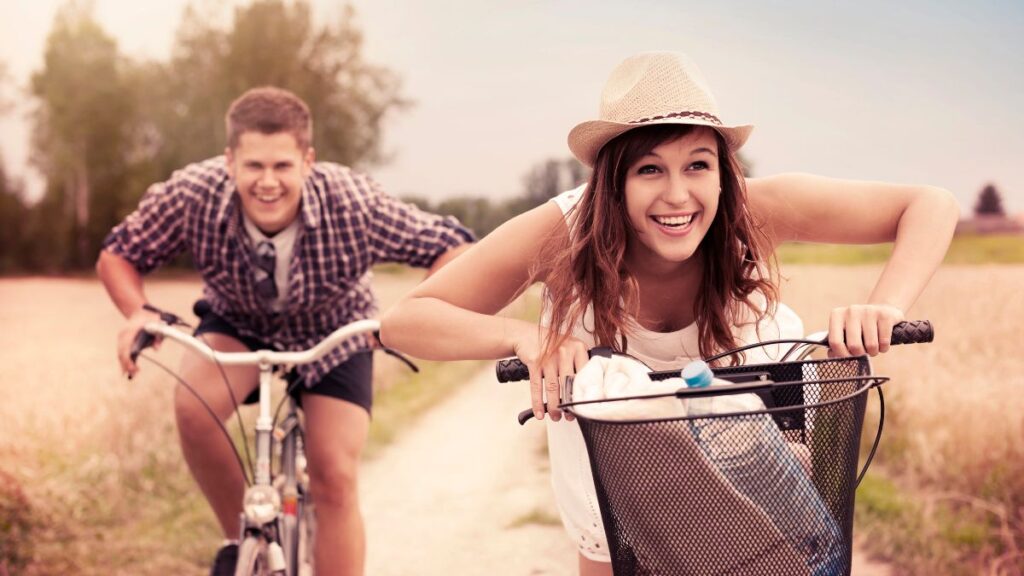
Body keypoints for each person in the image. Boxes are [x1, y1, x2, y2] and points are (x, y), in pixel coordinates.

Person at [379, 51, 959, 575]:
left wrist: (884, 306)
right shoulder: (564, 233)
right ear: (614, 182)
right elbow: (406, 321)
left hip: (752, 485)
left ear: (722, 170)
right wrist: (525, 336)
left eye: (698, 165)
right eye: (650, 169)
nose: (678, 196)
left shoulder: (753, 211)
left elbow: (929, 205)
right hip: (616, 500)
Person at [96, 86, 473, 576]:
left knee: (333, 474)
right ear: (230, 161)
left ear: (307, 161)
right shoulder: (193, 194)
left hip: (337, 332)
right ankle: (243, 536)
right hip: (240, 324)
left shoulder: (352, 201)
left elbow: (455, 247)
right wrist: (138, 311)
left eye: (282, 166)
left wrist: (403, 316)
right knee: (193, 409)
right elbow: (119, 252)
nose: (267, 182)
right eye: (254, 166)